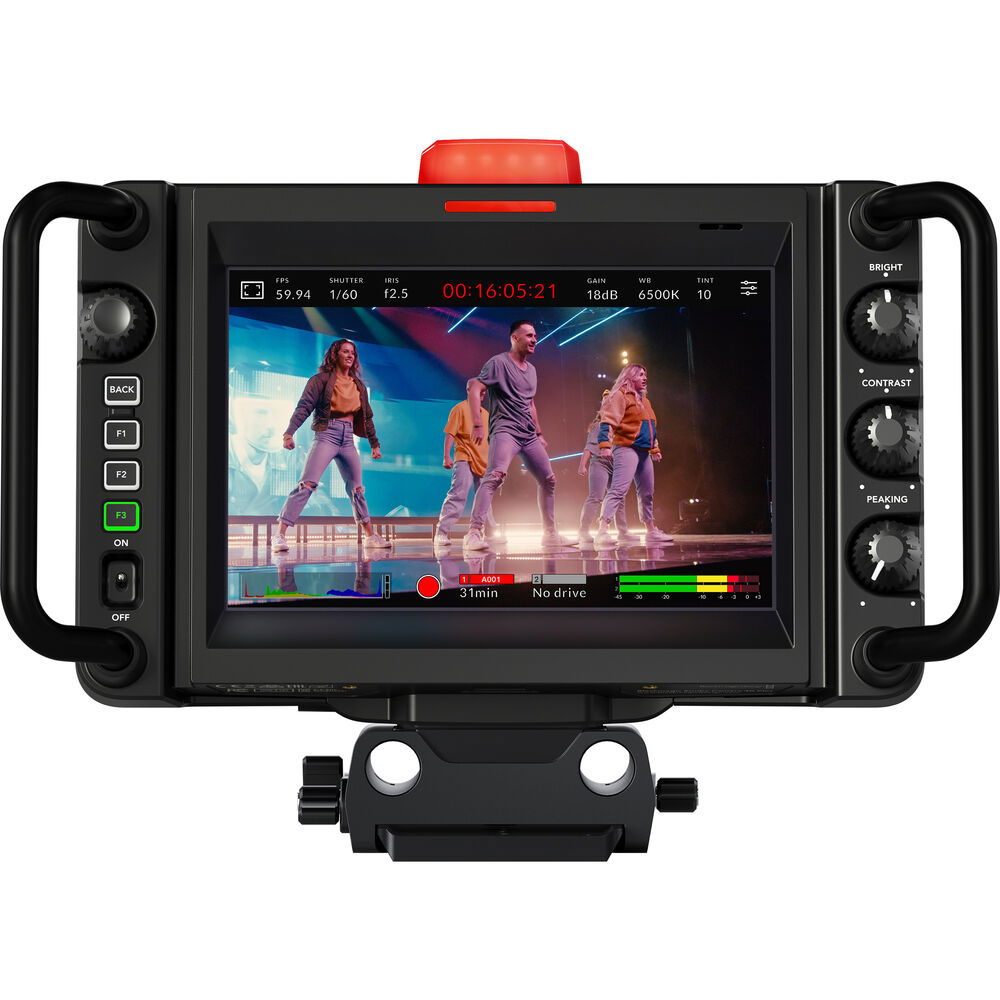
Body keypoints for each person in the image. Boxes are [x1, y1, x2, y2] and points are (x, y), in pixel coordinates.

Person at [462, 320, 577, 551]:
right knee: (494, 476)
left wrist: (539, 432)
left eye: (535, 335)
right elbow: (475, 389)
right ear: (515, 338)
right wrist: (477, 424)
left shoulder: (532, 370)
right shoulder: (498, 363)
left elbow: (530, 403)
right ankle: (473, 533)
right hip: (505, 430)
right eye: (529, 335)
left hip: (529, 435)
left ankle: (550, 534)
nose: (535, 339)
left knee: (549, 480)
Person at [272, 338, 390, 552]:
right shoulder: (320, 380)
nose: (349, 355)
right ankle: (279, 535)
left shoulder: (358, 385)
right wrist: (289, 433)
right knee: (307, 484)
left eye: (352, 353)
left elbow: (367, 417)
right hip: (327, 435)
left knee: (357, 489)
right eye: (345, 351)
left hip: (348, 439)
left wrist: (375, 444)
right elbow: (304, 407)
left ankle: (370, 537)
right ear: (335, 355)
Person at [593, 364, 673, 548]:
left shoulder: (645, 400)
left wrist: (655, 449)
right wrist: (605, 445)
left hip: (643, 451)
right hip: (625, 448)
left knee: (647, 492)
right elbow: (608, 421)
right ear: (630, 377)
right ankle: (602, 531)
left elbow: (650, 428)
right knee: (618, 490)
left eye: (645, 374)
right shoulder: (620, 395)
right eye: (640, 374)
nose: (645, 378)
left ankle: (651, 531)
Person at [434, 398, 498, 550]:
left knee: (484, 496)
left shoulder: (485, 413)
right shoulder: (460, 408)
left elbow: (489, 439)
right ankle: (441, 533)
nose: (482, 395)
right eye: (479, 391)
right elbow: (450, 433)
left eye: (484, 392)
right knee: (458, 493)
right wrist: (446, 456)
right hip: (464, 457)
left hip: (483, 460)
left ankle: (490, 532)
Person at [577, 390, 640, 545]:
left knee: (619, 497)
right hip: (600, 463)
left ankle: (622, 530)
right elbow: (589, 446)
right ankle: (583, 530)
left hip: (616, 464)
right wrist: (582, 465)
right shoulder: (599, 426)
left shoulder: (620, 425)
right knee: (596, 497)